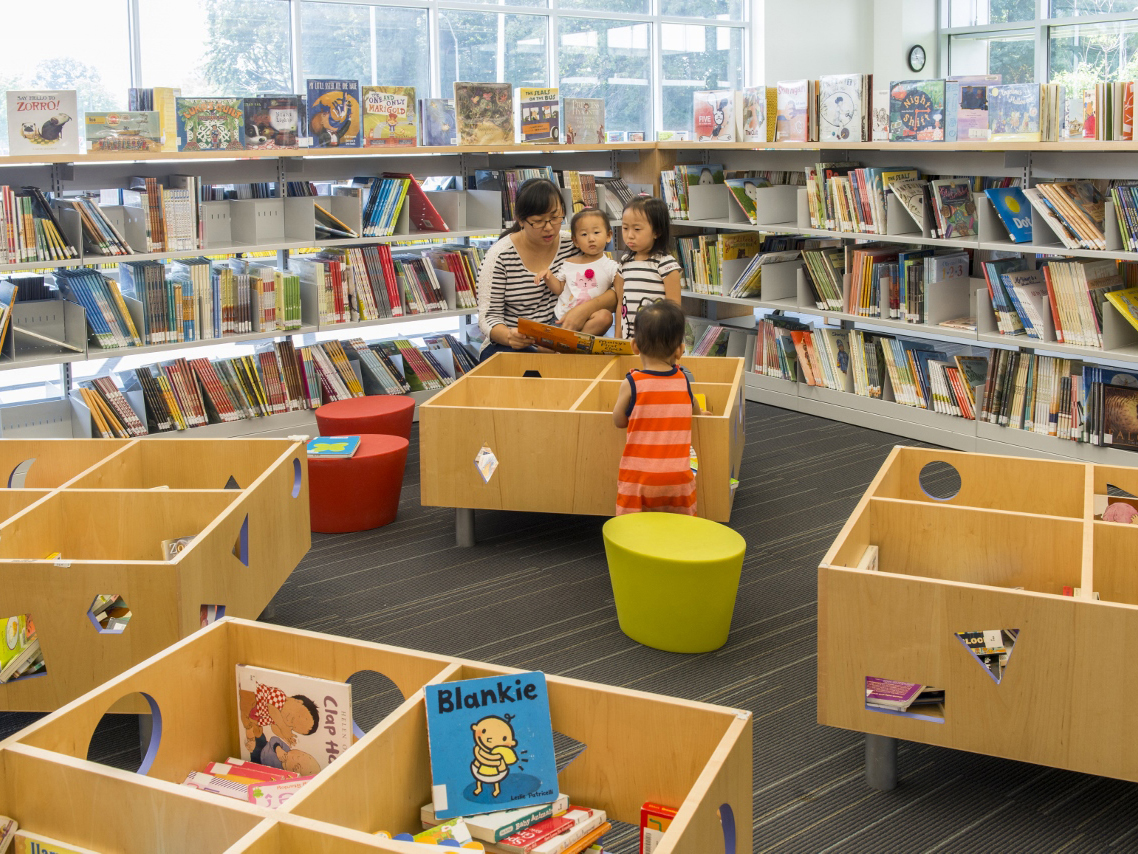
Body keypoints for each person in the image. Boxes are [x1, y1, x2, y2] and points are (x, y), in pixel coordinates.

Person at [476, 178, 617, 362]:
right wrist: (509, 336)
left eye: (555, 217)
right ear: (521, 220)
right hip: (513, 346)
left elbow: (615, 291)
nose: (549, 227)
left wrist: (584, 310)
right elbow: (488, 317)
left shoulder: (575, 244)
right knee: (537, 372)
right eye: (538, 221)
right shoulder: (499, 256)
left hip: (563, 339)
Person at [612, 300, 701, 516]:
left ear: (634, 346)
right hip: (679, 477)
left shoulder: (632, 383)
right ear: (680, 350)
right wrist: (702, 414)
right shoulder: (683, 380)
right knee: (682, 528)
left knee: (631, 529)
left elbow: (618, 421)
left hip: (638, 478)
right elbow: (695, 409)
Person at [536, 207, 618, 335]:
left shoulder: (612, 267)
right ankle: (568, 343)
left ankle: (573, 342)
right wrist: (549, 277)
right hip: (562, 319)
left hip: (589, 321)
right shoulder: (570, 263)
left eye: (596, 232)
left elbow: (619, 293)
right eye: (584, 234)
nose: (591, 238)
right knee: (544, 343)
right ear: (575, 241)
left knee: (605, 317)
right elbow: (559, 289)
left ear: (608, 236)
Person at [616, 196, 682, 340]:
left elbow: (675, 310)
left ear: (657, 232)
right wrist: (616, 340)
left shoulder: (665, 264)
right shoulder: (624, 262)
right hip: (629, 341)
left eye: (637, 229)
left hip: (656, 342)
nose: (629, 235)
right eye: (625, 228)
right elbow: (621, 303)